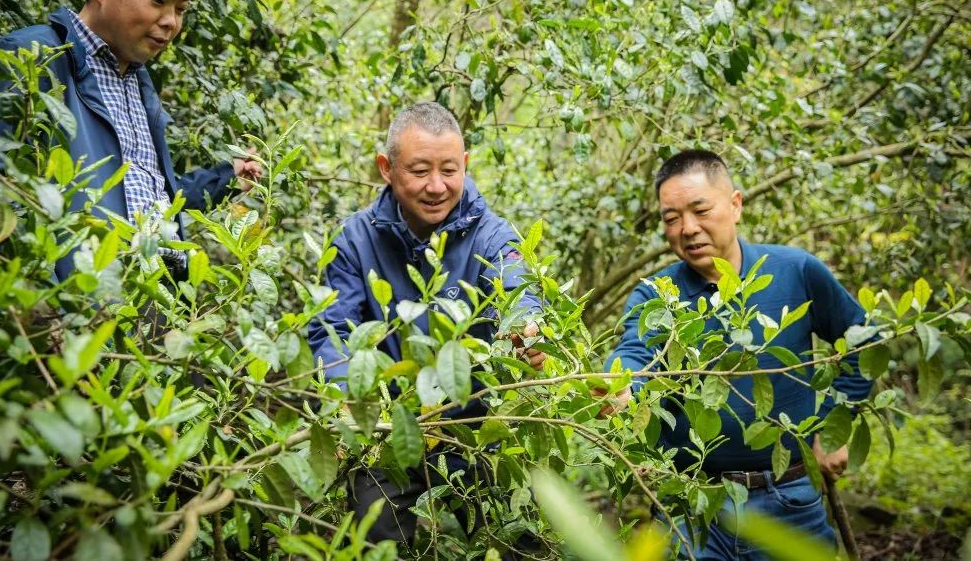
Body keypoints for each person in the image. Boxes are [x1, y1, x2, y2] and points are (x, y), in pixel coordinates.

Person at [601, 150, 873, 558]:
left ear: (735, 204)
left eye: (700, 210)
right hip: (692, 503)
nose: (687, 229)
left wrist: (836, 428)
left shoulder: (795, 270)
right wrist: (618, 385)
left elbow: (862, 341)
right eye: (671, 218)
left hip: (787, 497)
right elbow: (634, 352)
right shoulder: (658, 294)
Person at [0, 0, 261, 281]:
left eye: (181, 9)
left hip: (151, 307)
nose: (171, 22)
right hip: (74, 314)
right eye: (158, 0)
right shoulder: (27, 59)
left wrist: (227, 178)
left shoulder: (136, 83)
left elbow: (147, 197)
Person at [307, 102, 543, 554]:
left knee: (519, 535)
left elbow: (520, 291)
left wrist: (526, 330)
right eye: (419, 171)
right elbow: (332, 334)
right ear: (386, 169)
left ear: (465, 166)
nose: (437, 187)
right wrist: (344, 402)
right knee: (377, 538)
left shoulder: (493, 235)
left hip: (474, 427)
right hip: (386, 430)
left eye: (449, 170)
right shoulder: (353, 241)